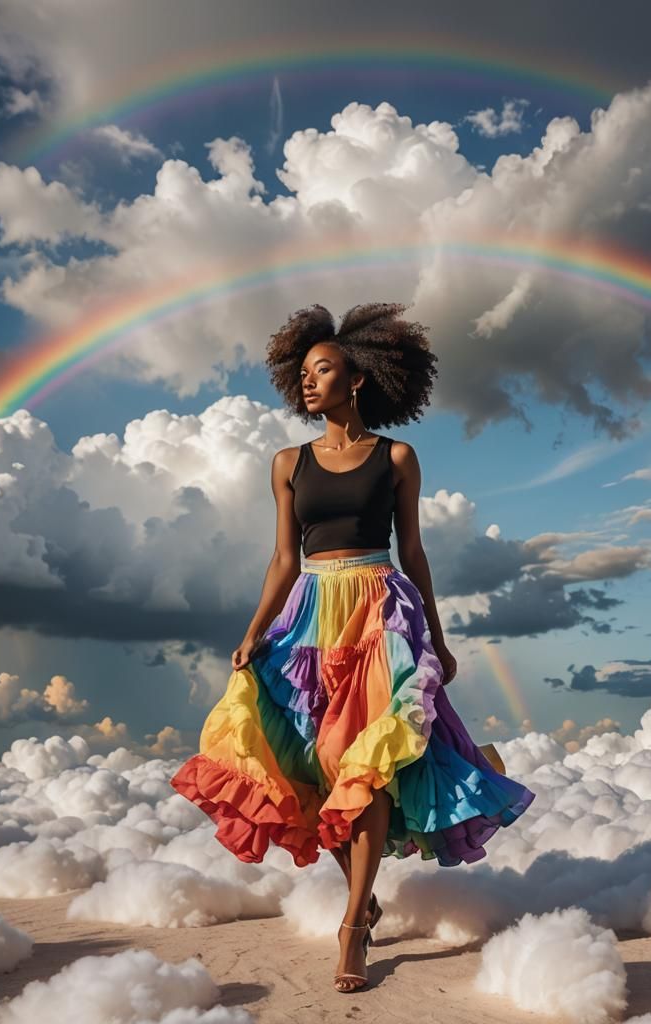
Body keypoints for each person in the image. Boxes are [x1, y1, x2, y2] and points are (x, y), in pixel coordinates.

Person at [170, 301, 536, 993]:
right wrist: (253, 634)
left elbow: (415, 552)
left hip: (376, 609)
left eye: (324, 370)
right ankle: (364, 892)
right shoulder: (287, 464)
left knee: (364, 765)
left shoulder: (397, 457)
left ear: (357, 379)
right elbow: (283, 559)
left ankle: (353, 927)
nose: (310, 383)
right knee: (319, 768)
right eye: (303, 373)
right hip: (309, 616)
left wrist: (437, 635)